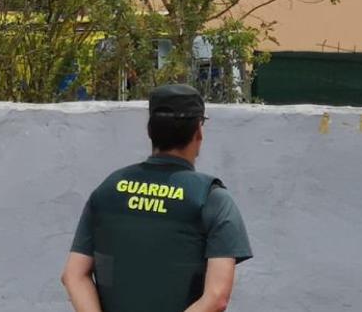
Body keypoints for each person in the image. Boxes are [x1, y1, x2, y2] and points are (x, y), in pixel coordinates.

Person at [61, 84, 252, 312]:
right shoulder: (212, 199)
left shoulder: (108, 189)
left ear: (150, 131)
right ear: (198, 132)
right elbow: (217, 296)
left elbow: (74, 275)